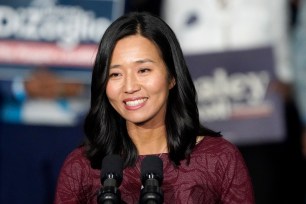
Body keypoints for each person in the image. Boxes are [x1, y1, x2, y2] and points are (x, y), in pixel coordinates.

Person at [54, 11, 254, 204]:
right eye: (115, 74)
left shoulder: (219, 158)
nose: (130, 87)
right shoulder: (81, 166)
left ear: (172, 76)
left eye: (143, 70)